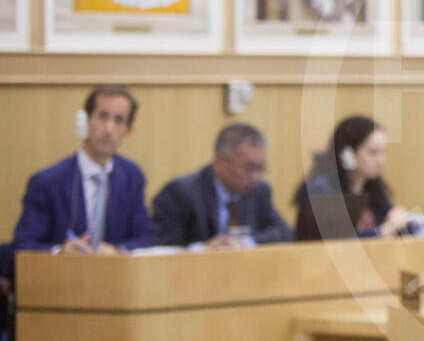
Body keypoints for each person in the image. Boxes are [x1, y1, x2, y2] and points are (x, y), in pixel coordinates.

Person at [13, 85, 155, 254]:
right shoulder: (47, 181)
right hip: (63, 270)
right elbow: (24, 245)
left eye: (118, 120)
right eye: (102, 117)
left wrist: (117, 250)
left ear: (128, 130)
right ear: (85, 121)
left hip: (115, 269)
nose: (109, 129)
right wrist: (60, 251)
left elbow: (147, 238)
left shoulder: (132, 176)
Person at [152, 124, 293, 248]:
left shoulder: (259, 190)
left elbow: (285, 233)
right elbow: (163, 247)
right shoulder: (180, 193)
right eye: (249, 168)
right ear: (218, 163)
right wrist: (202, 249)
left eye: (260, 168)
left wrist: (245, 242)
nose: (255, 176)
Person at [293, 116, 412, 240]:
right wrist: (381, 233)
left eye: (383, 152)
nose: (381, 160)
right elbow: (335, 241)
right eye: (373, 152)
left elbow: (391, 225)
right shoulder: (321, 188)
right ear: (347, 154)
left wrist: (400, 222)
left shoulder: (373, 187)